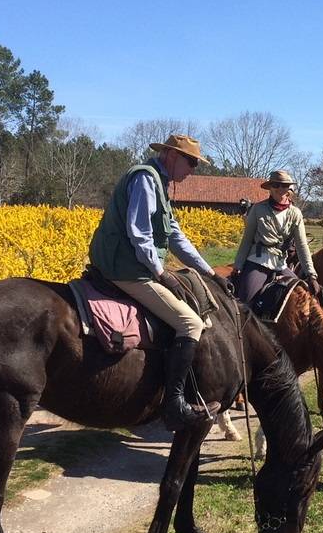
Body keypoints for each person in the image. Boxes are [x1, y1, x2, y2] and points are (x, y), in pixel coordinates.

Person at [88, 133, 232, 431]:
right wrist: (161, 273)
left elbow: (177, 238)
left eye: (196, 163)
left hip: (133, 265)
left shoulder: (162, 186)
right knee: (190, 324)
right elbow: (138, 231)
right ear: (172, 156)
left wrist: (210, 273)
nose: (193, 169)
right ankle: (174, 405)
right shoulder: (145, 179)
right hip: (125, 269)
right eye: (191, 161)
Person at [231, 170, 321, 305]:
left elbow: (302, 246)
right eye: (276, 185)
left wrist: (311, 275)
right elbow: (247, 239)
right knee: (246, 301)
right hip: (258, 261)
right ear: (270, 188)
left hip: (280, 264)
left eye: (284, 185)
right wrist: (238, 265)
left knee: (303, 296)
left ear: (289, 188)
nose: (280, 189)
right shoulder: (258, 209)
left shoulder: (295, 213)